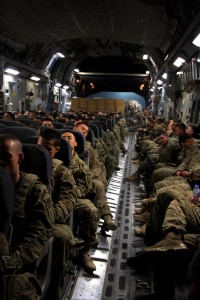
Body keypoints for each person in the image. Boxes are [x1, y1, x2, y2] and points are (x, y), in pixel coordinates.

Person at [0, 134, 54, 299]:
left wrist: (9, 263)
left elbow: (37, 237)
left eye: (5, 157)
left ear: (20, 157)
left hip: (20, 267)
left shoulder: (35, 191)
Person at [38, 128, 99, 274]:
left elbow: (69, 198)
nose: (42, 152)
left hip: (56, 210)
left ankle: (84, 252)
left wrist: (45, 217)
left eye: (47, 149)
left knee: (89, 211)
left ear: (57, 149)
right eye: (39, 148)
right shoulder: (29, 165)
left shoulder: (61, 170)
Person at [72, 122, 117, 231]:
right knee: (98, 186)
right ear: (74, 128)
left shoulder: (88, 148)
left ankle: (100, 223)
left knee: (98, 185)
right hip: (72, 182)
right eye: (82, 129)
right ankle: (107, 219)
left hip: (86, 179)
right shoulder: (59, 147)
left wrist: (88, 177)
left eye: (86, 131)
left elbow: (97, 166)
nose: (83, 132)